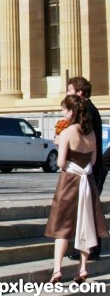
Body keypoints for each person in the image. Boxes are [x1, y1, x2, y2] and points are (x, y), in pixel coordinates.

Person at [44, 95, 108, 284]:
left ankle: (57, 270)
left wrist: (59, 144)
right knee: (85, 225)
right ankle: (83, 268)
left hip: (69, 181)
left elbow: (61, 162)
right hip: (86, 180)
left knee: (62, 228)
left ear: (71, 112)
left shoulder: (67, 133)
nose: (62, 113)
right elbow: (94, 161)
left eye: (64, 109)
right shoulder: (91, 134)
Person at [65, 77, 104, 261]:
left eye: (70, 90)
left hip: (86, 168)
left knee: (86, 210)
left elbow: (84, 138)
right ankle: (89, 248)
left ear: (79, 92)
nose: (67, 94)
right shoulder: (90, 108)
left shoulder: (85, 110)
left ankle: (88, 249)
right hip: (90, 167)